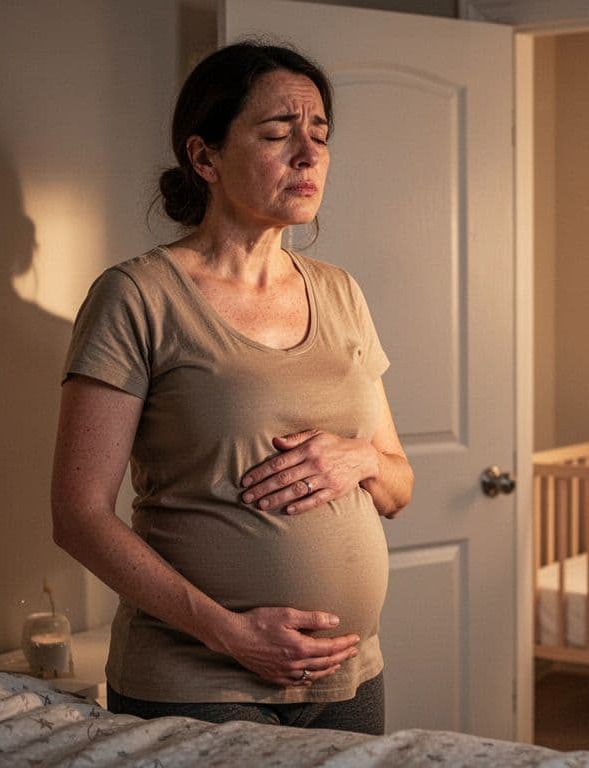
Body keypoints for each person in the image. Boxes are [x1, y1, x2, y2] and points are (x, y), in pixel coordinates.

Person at [50, 41, 413, 736]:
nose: (308, 154)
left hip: (349, 672)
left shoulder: (341, 293)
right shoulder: (137, 298)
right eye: (278, 133)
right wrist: (228, 633)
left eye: (320, 134)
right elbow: (78, 516)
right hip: (197, 676)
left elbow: (398, 487)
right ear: (205, 157)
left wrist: (359, 458)